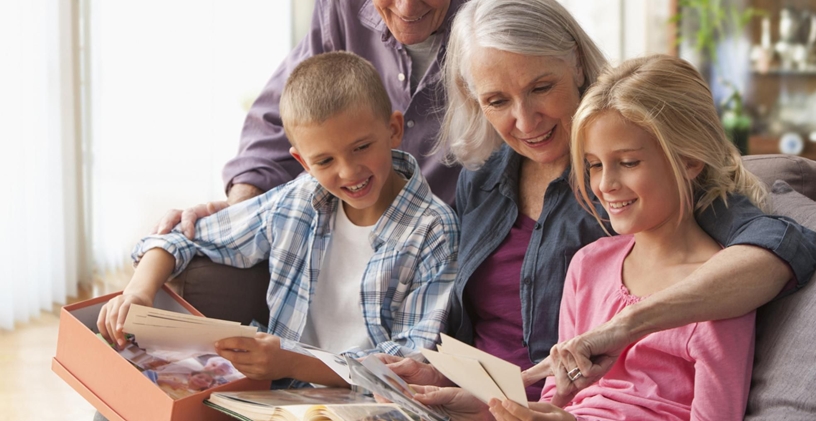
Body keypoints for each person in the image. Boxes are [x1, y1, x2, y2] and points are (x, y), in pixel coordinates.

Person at [375, 0, 816, 414]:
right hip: (494, 404)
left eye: (541, 87)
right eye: (497, 101)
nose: (526, 122)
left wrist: (623, 326)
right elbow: (489, 336)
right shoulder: (483, 178)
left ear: (577, 63)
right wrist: (442, 374)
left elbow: (782, 244)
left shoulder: (644, 183)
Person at [97, 51, 459, 388]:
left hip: (369, 405)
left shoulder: (434, 231)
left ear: (394, 130)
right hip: (277, 395)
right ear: (302, 162)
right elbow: (181, 238)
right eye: (325, 161)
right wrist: (138, 293)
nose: (349, 171)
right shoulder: (299, 200)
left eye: (361, 147)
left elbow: (412, 362)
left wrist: (293, 363)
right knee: (124, 386)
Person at [489, 54, 762, 421]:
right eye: (594, 165)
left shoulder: (721, 291)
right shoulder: (588, 265)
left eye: (628, 162)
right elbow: (559, 399)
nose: (605, 184)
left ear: (689, 160)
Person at [156, 0, 468, 242]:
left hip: (455, 238)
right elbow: (282, 120)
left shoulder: (494, 14)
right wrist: (241, 211)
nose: (407, 8)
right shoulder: (339, 7)